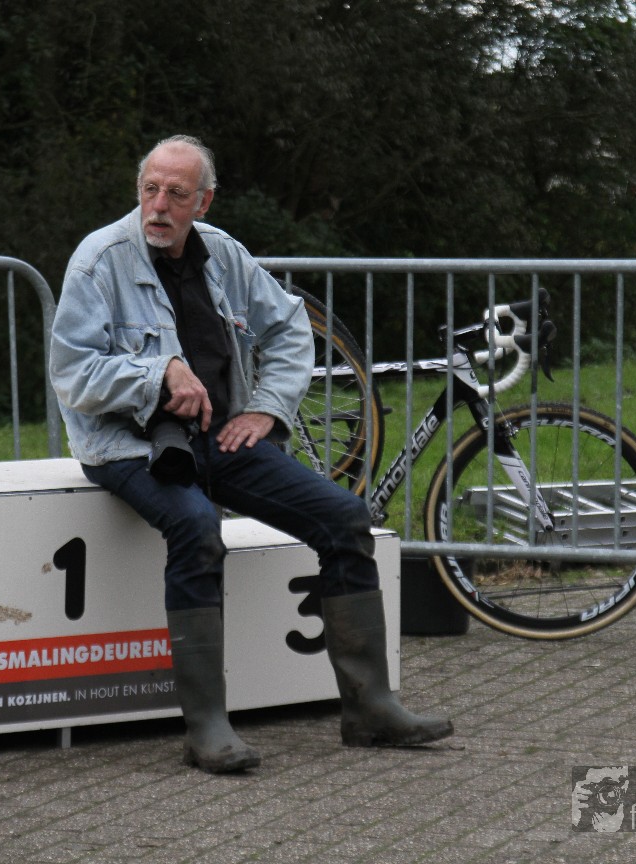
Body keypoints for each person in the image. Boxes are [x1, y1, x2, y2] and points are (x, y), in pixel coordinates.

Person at [49, 134, 453, 773]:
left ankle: (371, 709)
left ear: (203, 202)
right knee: (195, 527)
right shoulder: (97, 261)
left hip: (221, 435)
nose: (159, 206)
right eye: (150, 189)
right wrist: (158, 374)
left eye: (176, 194)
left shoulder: (225, 254)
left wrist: (266, 409)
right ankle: (207, 729)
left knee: (345, 519)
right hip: (128, 444)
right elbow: (72, 373)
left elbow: (291, 327)